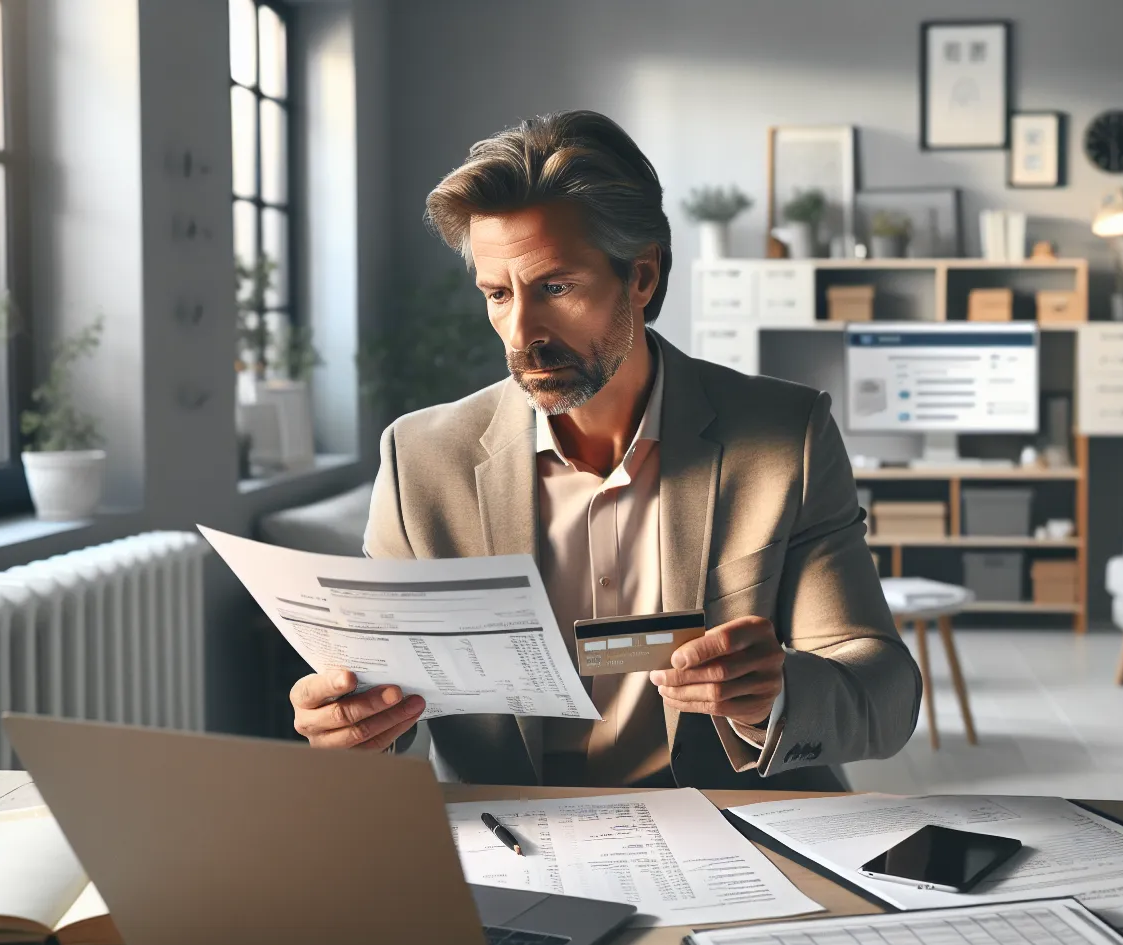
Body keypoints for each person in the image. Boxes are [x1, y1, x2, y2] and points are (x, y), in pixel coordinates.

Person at [287, 110, 918, 790]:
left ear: (641, 277)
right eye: (498, 295)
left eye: (555, 288)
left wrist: (776, 694)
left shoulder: (784, 436)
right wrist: (353, 725)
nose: (521, 332)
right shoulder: (420, 459)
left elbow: (883, 694)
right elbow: (389, 698)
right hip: (512, 838)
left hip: (740, 828)